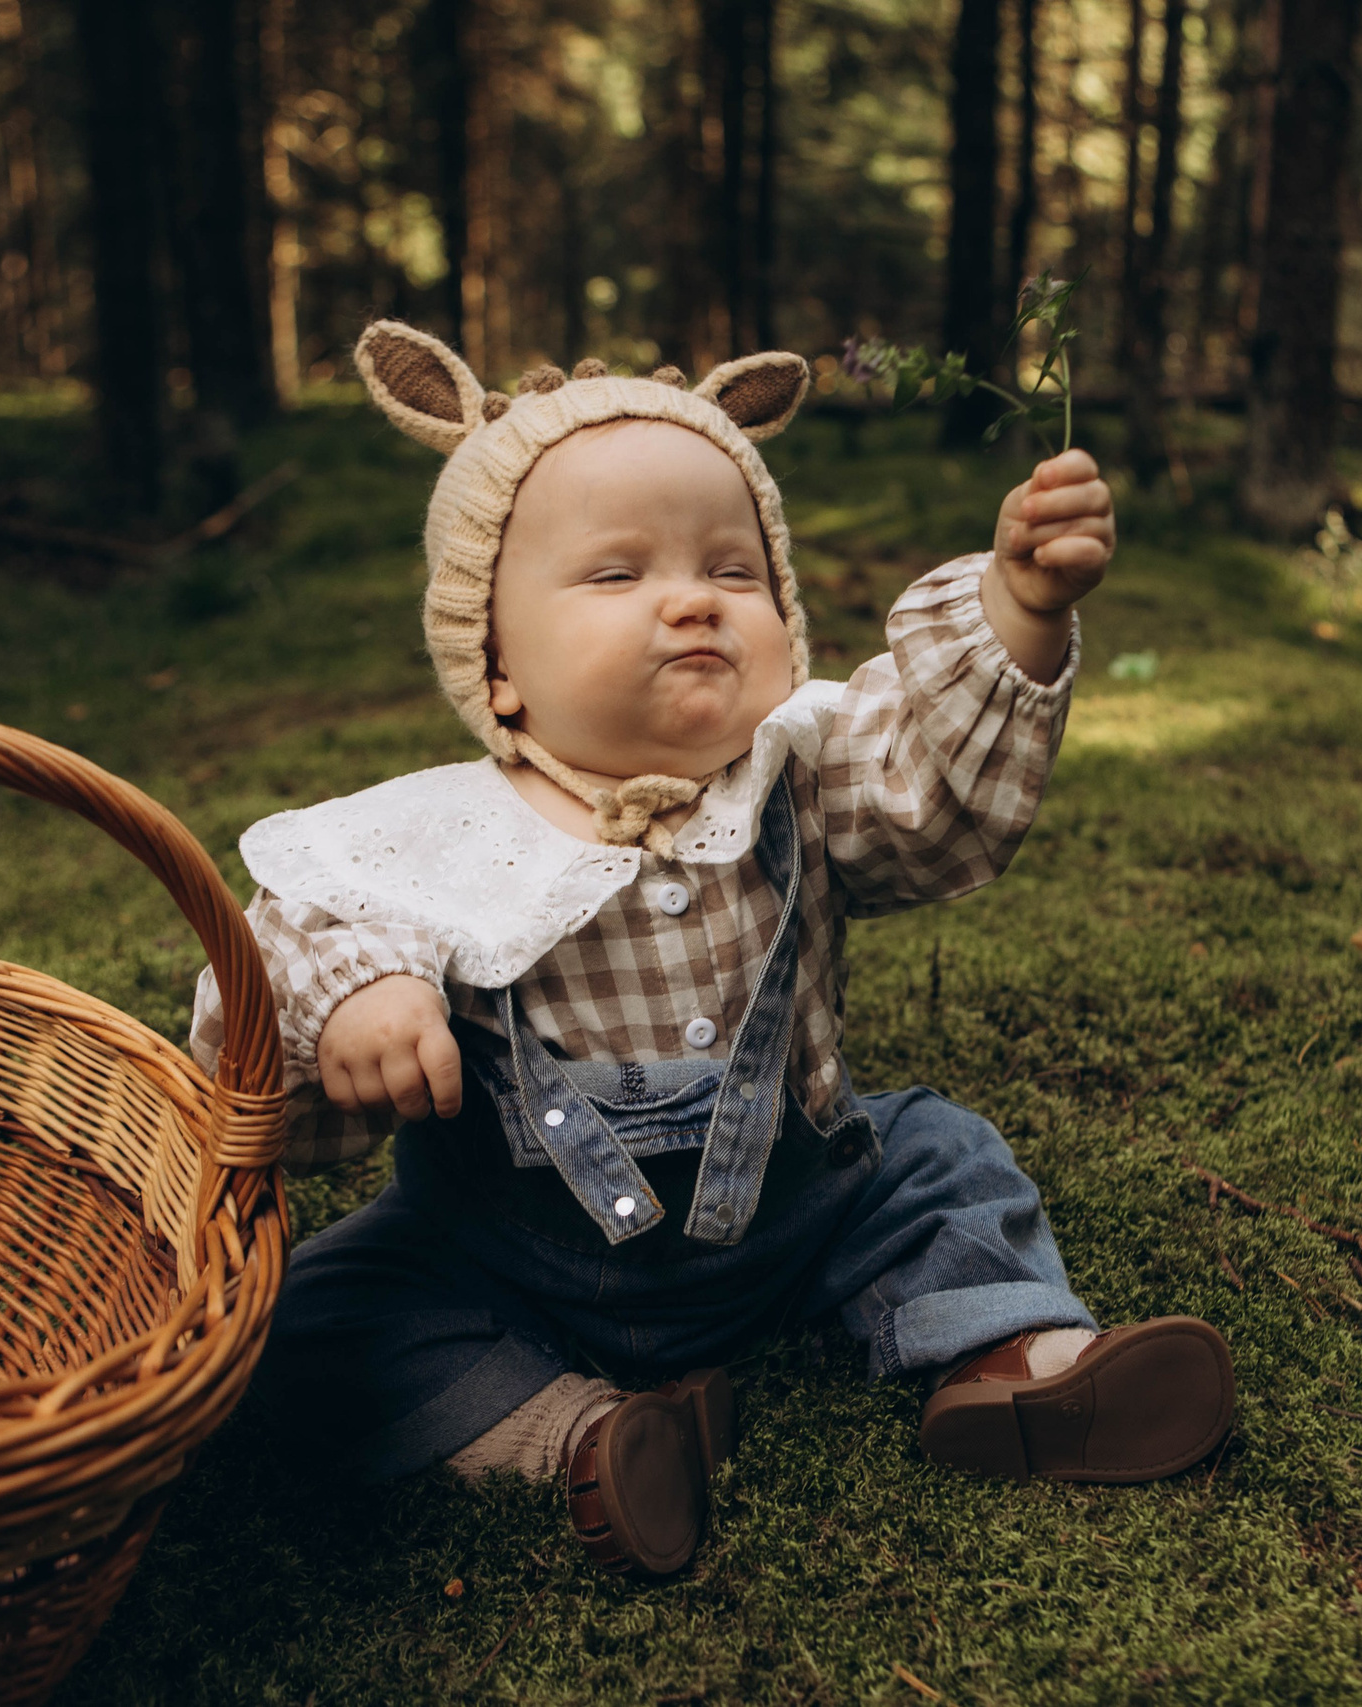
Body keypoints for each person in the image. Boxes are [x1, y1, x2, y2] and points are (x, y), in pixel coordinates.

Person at [190, 322, 1233, 1578]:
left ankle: (1012, 1360)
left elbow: (932, 791)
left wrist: (1016, 611)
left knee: (938, 1157)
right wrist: (356, 1002)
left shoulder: (798, 771)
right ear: (496, 662)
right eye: (616, 575)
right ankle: (579, 1439)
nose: (691, 598)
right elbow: (282, 946)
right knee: (314, 1309)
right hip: (507, 1256)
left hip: (797, 1217)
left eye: (733, 572)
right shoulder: (431, 834)